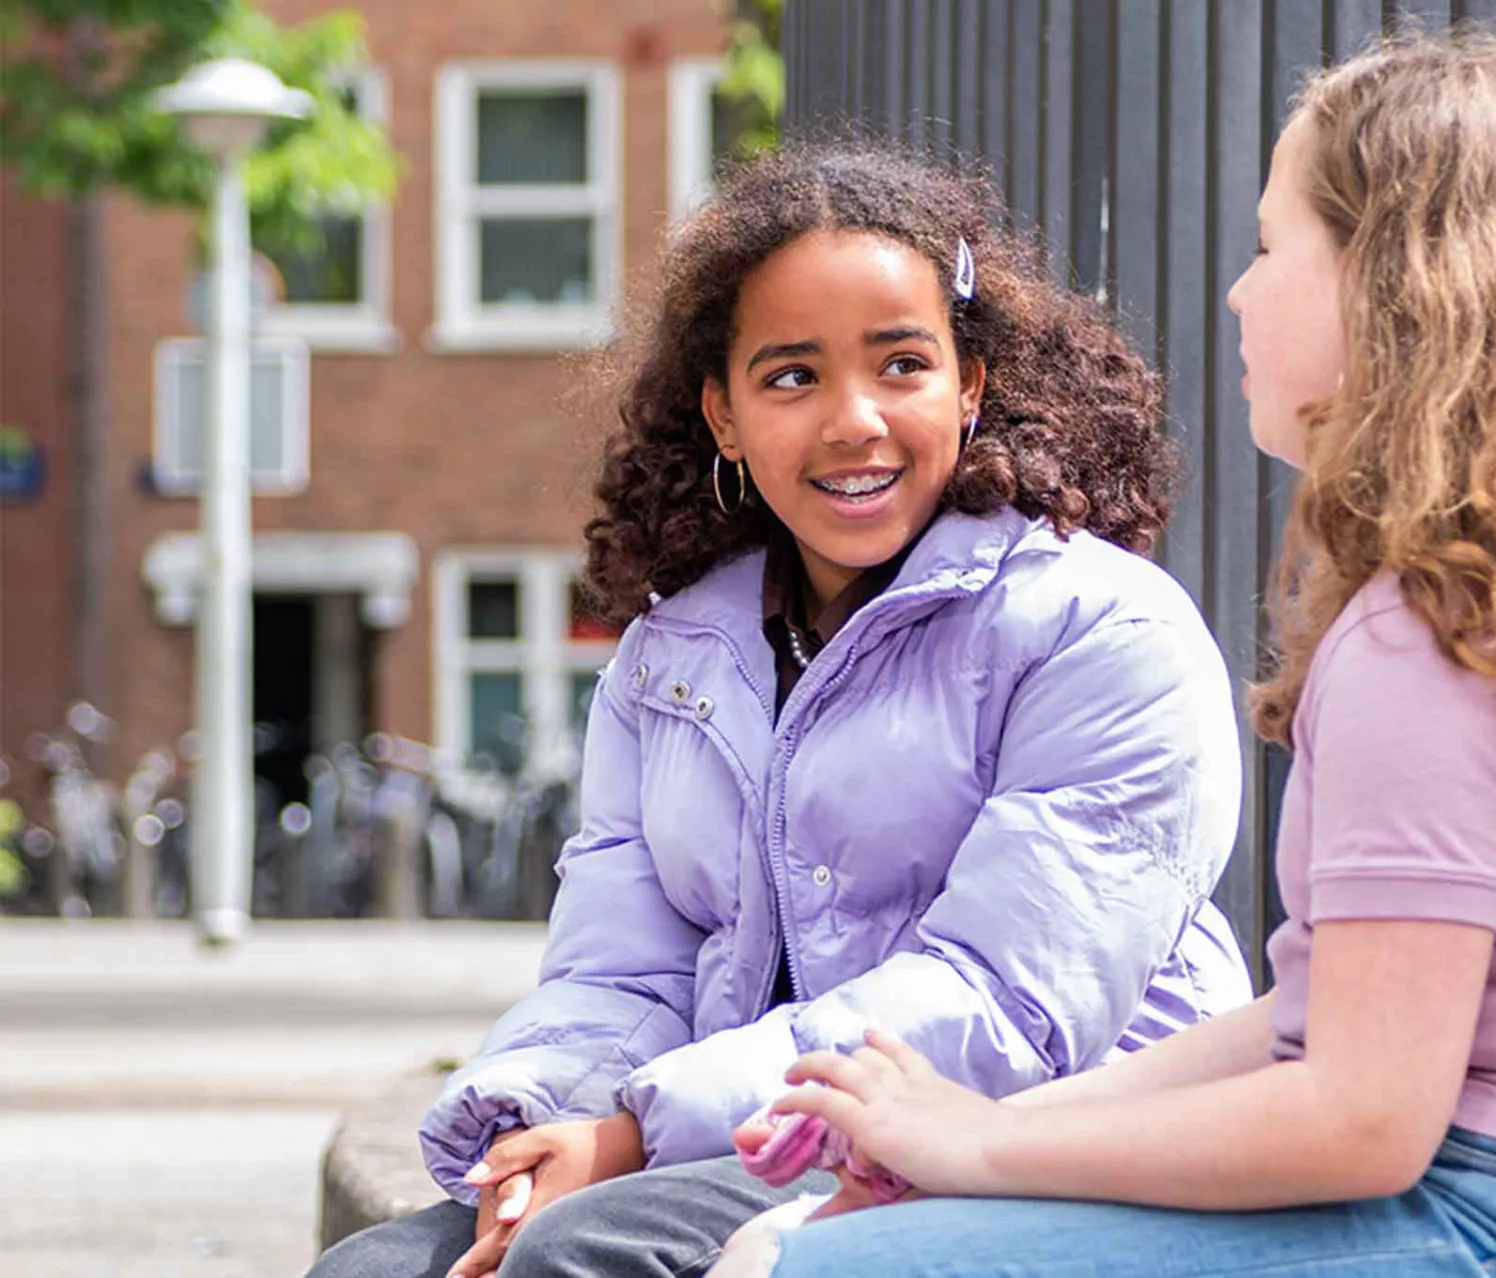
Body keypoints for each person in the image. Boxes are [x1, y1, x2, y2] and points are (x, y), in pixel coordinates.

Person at [731, 35, 1496, 1278]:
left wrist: (980, 1155)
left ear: (1403, 289)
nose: (1238, 292)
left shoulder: (1429, 633)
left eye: (1275, 249)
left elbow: (1362, 1120)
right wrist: (970, 1131)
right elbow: (1318, 1021)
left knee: (791, 1266)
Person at [304, 142, 1252, 1278]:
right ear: (724, 415)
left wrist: (634, 1135)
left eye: (902, 364)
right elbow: (622, 973)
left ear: (972, 386)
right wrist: (539, 1122)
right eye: (793, 377)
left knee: (586, 1255)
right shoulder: (672, 661)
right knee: (377, 1270)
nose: (855, 421)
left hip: (1035, 1138)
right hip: (740, 1134)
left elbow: (1003, 1005)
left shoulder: (1100, 628)